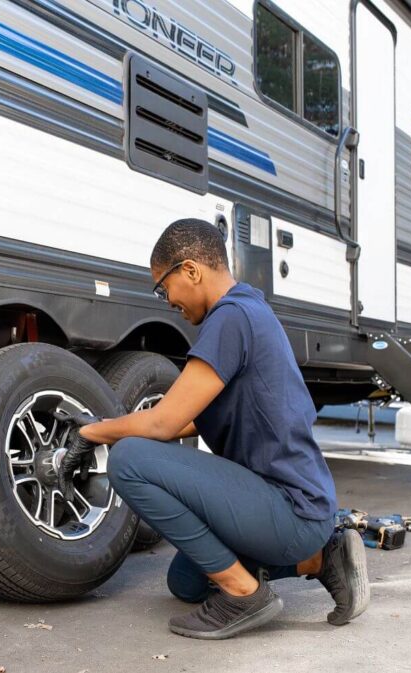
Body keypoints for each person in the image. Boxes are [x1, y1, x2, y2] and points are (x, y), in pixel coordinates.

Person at [54, 218, 369, 640]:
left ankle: (244, 594)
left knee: (128, 460)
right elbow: (186, 419)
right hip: (293, 507)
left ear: (190, 270)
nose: (167, 301)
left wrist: (93, 433)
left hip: (290, 507)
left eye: (162, 288)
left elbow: (163, 423)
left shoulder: (231, 317)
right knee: (186, 581)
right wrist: (111, 426)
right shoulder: (250, 309)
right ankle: (320, 560)